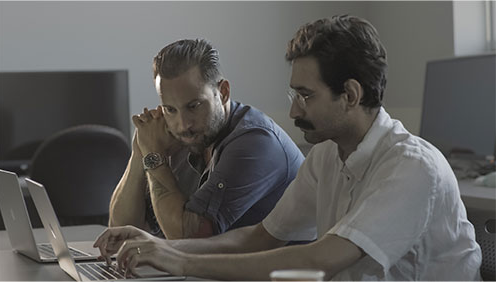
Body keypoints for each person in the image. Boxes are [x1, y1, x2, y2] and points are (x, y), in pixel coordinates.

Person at [95, 15, 482, 280]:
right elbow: (260, 237)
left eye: (306, 96)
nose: (294, 109)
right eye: (293, 94)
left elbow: (321, 259)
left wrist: (178, 260)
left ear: (349, 94)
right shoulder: (328, 155)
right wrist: (160, 246)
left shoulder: (412, 167)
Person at [108, 39, 305, 239]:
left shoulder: (255, 142)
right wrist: (140, 148)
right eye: (170, 109)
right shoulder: (183, 136)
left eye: (194, 106)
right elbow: (120, 229)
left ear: (223, 92)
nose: (183, 124)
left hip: (282, 270)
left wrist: (153, 155)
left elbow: (187, 238)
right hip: (212, 269)